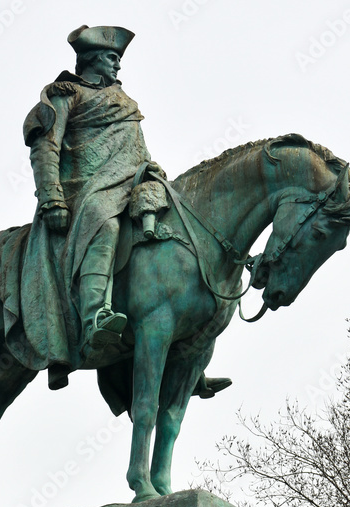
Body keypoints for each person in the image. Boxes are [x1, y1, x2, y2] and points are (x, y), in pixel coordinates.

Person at [23, 25, 230, 398]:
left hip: (132, 182)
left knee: (176, 230)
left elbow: (135, 151)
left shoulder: (124, 101)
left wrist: (152, 173)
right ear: (91, 59)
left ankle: (188, 357)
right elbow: (45, 146)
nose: (118, 64)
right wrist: (51, 196)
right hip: (86, 190)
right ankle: (94, 319)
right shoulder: (65, 94)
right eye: (111, 57)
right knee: (104, 222)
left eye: (118, 58)